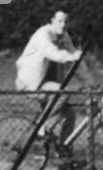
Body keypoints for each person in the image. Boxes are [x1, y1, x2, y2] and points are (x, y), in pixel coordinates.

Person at [14, 10, 84, 155]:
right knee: (63, 94)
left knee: (70, 115)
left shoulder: (65, 37)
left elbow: (76, 63)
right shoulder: (42, 34)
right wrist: (71, 57)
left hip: (48, 83)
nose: (63, 25)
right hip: (31, 82)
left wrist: (91, 82)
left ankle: (63, 152)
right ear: (52, 21)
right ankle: (42, 129)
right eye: (60, 21)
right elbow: (51, 52)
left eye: (66, 21)